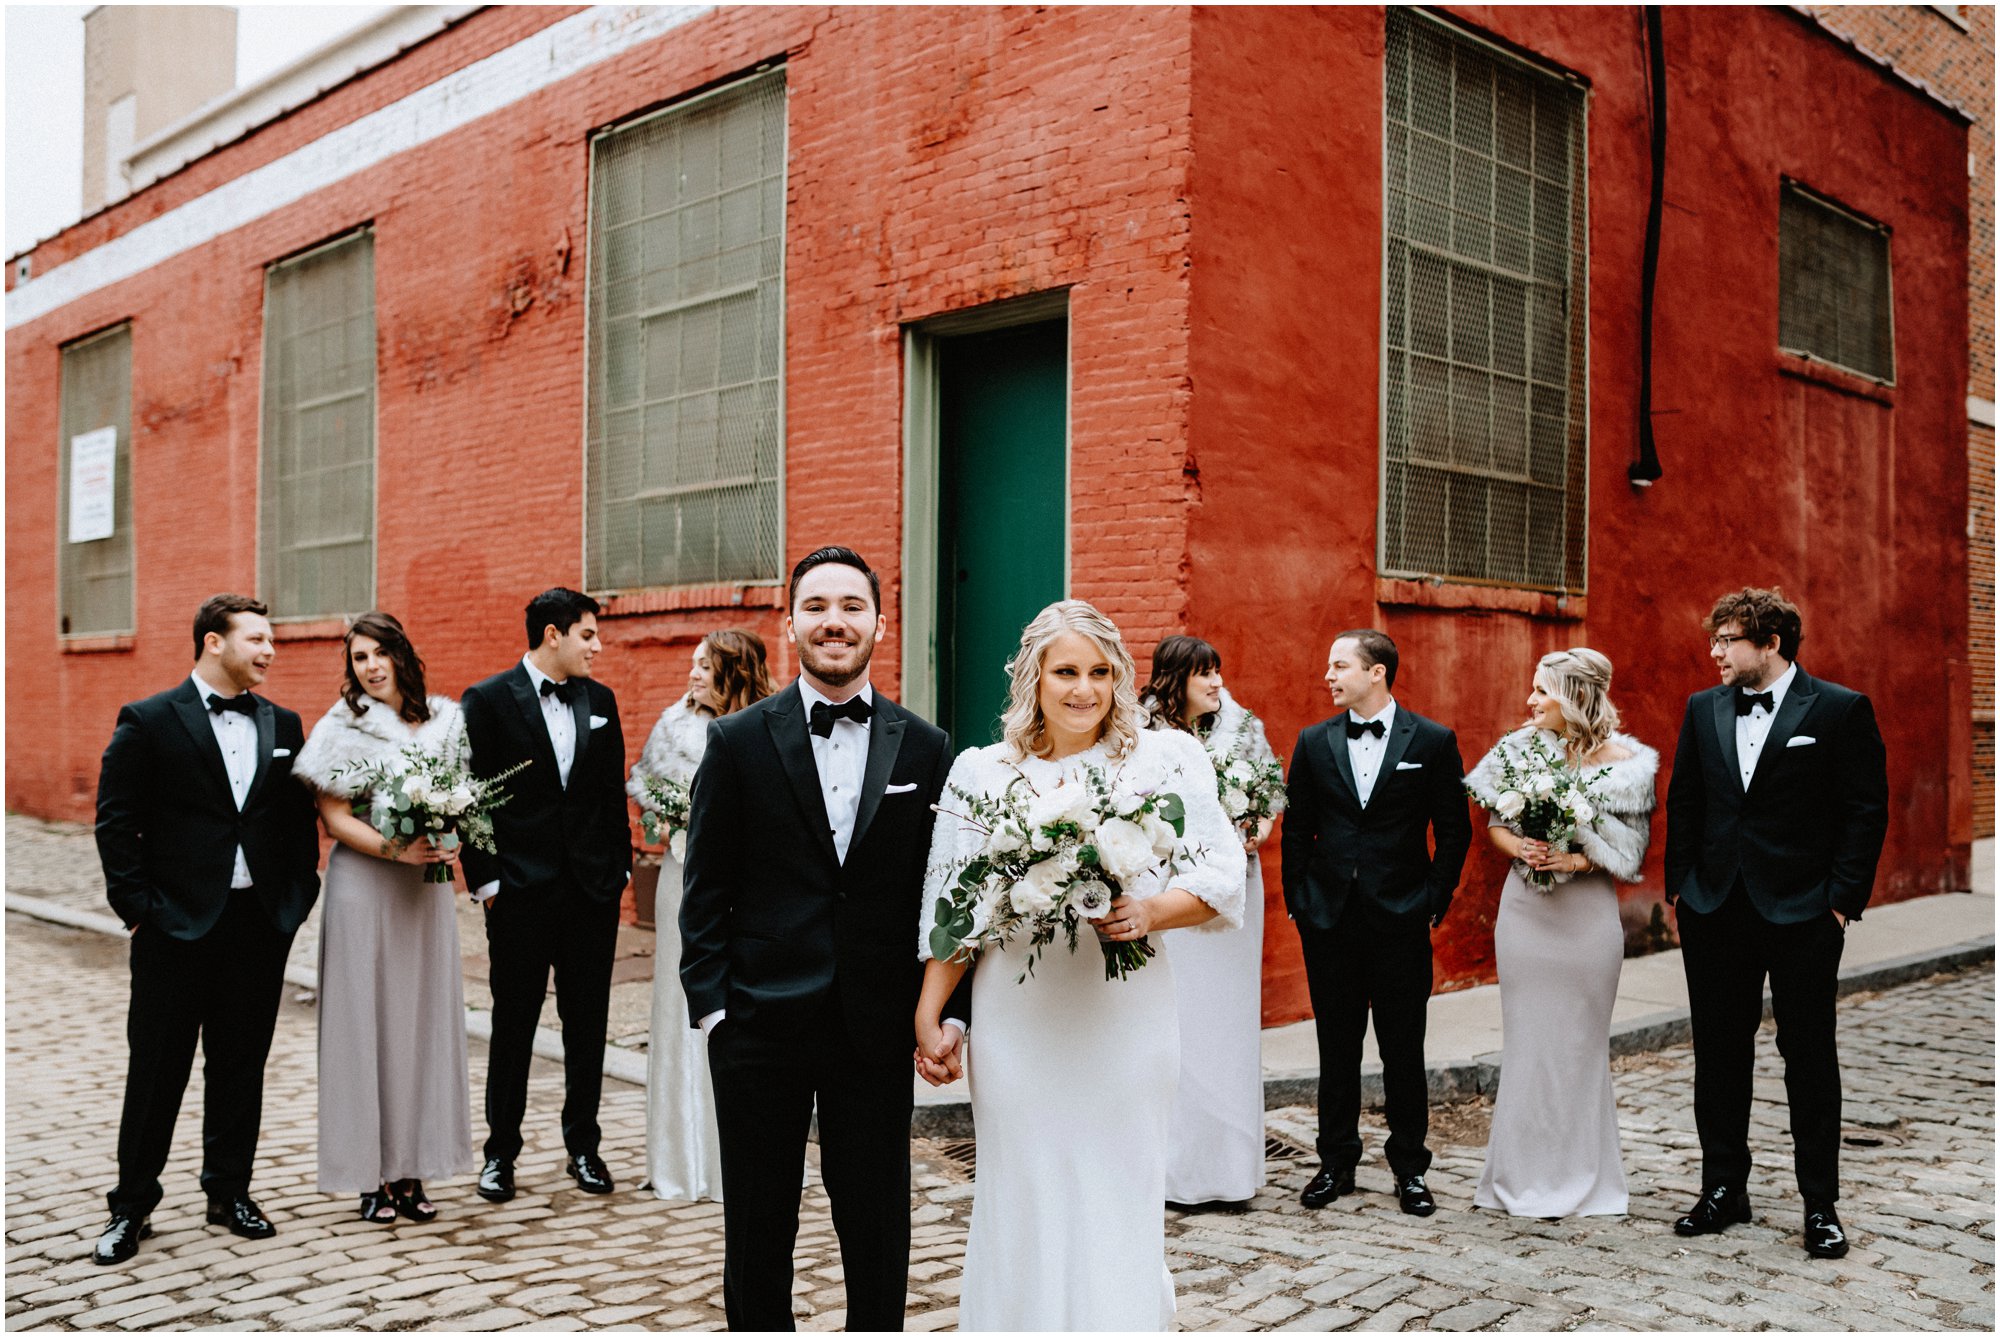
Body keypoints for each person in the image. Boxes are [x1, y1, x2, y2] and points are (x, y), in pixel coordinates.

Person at [915, 601, 1247, 1331]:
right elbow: (956, 907)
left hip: (1124, 1016)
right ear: (1034, 676)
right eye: (1066, 671)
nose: (1083, 688)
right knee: (1022, 1184)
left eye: (1100, 672)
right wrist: (930, 1009)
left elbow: (1222, 875)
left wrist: (1153, 911)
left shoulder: (1163, 760)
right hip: (1018, 1021)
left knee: (1119, 1183)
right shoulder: (982, 772)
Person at [680, 547, 958, 1331]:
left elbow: (943, 895)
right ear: (790, 622)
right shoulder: (737, 741)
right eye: (817, 606)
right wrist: (715, 1014)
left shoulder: (925, 746)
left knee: (876, 1228)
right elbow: (706, 892)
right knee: (759, 1229)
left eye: (851, 606)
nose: (834, 620)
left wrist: (945, 1012)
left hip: (873, 1026)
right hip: (758, 1024)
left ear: (879, 621)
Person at [92, 594, 322, 1265]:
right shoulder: (151, 719)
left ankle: (230, 1191)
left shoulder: (283, 723)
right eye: (256, 638)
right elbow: (115, 821)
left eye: (272, 638)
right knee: (157, 1070)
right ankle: (131, 1204)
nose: (270, 649)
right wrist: (139, 909)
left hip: (257, 927)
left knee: (240, 1066)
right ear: (213, 643)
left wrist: (296, 900)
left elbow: (295, 822)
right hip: (173, 927)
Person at [1664, 587, 1888, 1259]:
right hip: (1717, 909)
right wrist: (1681, 892)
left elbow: (1864, 810)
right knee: (1720, 1056)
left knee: (1809, 1057)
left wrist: (1841, 901)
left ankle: (1820, 1203)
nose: (1715, 651)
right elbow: (1686, 800)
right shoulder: (1702, 709)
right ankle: (1723, 1188)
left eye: (1727, 639)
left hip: (1803, 912)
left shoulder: (1840, 709)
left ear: (1771, 643)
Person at [291, 612, 477, 1224]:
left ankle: (411, 1167)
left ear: (401, 655)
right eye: (358, 658)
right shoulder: (342, 726)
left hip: (423, 893)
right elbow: (335, 817)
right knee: (363, 1028)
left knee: (420, 1027)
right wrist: (396, 847)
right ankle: (368, 1174)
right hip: (364, 887)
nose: (369, 667)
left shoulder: (446, 722)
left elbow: (462, 798)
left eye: (378, 654)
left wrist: (449, 836)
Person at [1280, 629, 1472, 1217]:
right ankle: (1335, 1163)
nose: (1328, 676)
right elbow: (1296, 828)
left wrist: (1432, 901)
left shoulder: (1434, 741)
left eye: (1340, 666)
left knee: (1402, 1050)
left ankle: (1409, 1169)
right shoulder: (1313, 742)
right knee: (1335, 1049)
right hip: (1329, 919)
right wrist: (1299, 900)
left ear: (1376, 673)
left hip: (1400, 918)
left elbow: (1454, 829)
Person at [1466, 649, 1657, 1218]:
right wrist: (1522, 847)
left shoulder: (1628, 767)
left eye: (1542, 692)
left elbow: (1628, 851)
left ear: (1575, 697)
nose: (1530, 702)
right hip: (1526, 915)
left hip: (1587, 921)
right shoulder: (1517, 750)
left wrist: (1574, 861)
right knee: (1527, 1045)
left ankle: (1582, 1179)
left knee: (1579, 1046)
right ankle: (1518, 1177)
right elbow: (1497, 825)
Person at [461, 588, 632, 1202]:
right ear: (553, 634)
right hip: (518, 892)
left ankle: (584, 1149)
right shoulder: (486, 700)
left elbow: (610, 793)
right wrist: (487, 882)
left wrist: (621, 872)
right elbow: (472, 796)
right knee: (514, 1024)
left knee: (587, 1024)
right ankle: (499, 1154)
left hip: (592, 891)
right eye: (588, 634)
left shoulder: (602, 701)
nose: (597, 646)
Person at [628, 630, 772, 1203]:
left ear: (733, 675)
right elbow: (648, 802)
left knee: (742, 1006)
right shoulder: (672, 729)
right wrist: (664, 823)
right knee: (679, 1004)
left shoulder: (768, 727)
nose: (691, 676)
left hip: (750, 888)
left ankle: (737, 1155)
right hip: (680, 881)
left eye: (704, 667)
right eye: (691, 664)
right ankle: (678, 1158)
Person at [1141, 635, 1281, 1208]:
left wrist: (1256, 831)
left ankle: (1227, 1171)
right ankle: (1172, 1171)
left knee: (1228, 1026)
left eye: (1219, 672)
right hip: (1170, 892)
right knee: (1175, 1023)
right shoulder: (1139, 733)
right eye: (1206, 675)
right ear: (1177, 680)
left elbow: (1270, 798)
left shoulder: (1244, 729)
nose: (1218, 684)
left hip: (1234, 891)